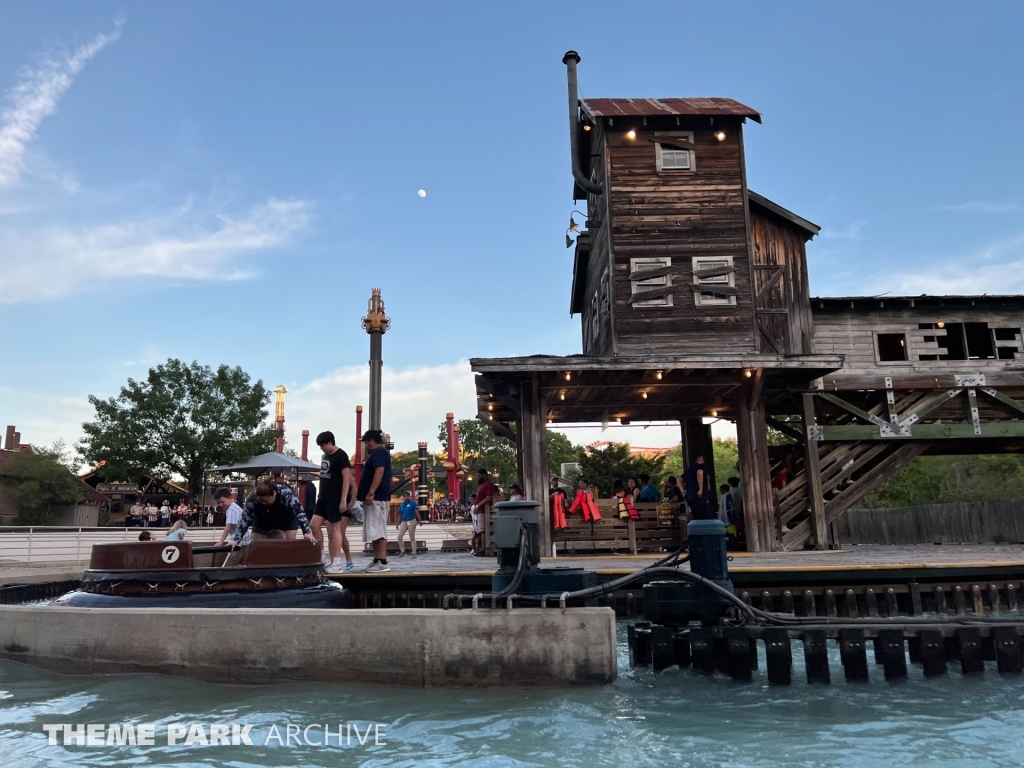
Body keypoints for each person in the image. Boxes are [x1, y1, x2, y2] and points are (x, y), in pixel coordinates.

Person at [227, 478, 316, 551]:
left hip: (286, 519)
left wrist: (306, 532)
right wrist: (236, 540)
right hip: (262, 520)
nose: (264, 503)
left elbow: (299, 512)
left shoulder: (286, 494)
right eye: (261, 501)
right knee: (257, 546)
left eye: (266, 501)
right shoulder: (252, 498)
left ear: (274, 494)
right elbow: (244, 520)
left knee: (287, 545)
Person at [312, 430, 355, 573]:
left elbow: (347, 478)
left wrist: (344, 500)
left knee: (335, 529)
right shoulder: (325, 456)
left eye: (323, 445)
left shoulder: (341, 456)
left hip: (335, 497)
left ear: (329, 442)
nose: (321, 448)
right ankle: (322, 556)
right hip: (323, 497)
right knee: (314, 524)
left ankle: (337, 562)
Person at [357, 430, 392, 572]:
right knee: (374, 529)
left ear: (371, 440)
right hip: (375, 498)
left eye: (366, 442)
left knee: (379, 530)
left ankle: (382, 562)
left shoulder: (379, 452)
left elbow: (379, 472)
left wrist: (371, 492)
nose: (366, 445)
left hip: (378, 497)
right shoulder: (378, 453)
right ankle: (377, 559)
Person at [470, 468, 498, 556]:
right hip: (479, 510)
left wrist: (478, 505)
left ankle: (483, 549)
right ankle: (480, 548)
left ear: (484, 475)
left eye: (479, 475)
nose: (478, 477)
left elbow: (488, 497)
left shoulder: (488, 484)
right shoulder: (482, 485)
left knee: (482, 530)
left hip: (482, 509)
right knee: (479, 531)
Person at [684, 455, 714, 520]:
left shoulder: (689, 471)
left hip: (692, 497)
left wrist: (683, 492)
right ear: (700, 460)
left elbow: (679, 479)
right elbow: (699, 473)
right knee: (708, 515)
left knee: (697, 517)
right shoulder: (701, 467)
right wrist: (700, 489)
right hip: (701, 496)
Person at [396, 491, 421, 557]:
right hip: (404, 522)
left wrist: (420, 520)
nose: (406, 497)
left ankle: (414, 552)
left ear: (409, 497)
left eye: (407, 496)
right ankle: (402, 551)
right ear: (403, 497)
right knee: (399, 537)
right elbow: (400, 515)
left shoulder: (413, 503)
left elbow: (416, 511)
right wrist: (397, 523)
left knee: (412, 537)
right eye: (404, 496)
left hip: (412, 520)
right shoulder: (401, 505)